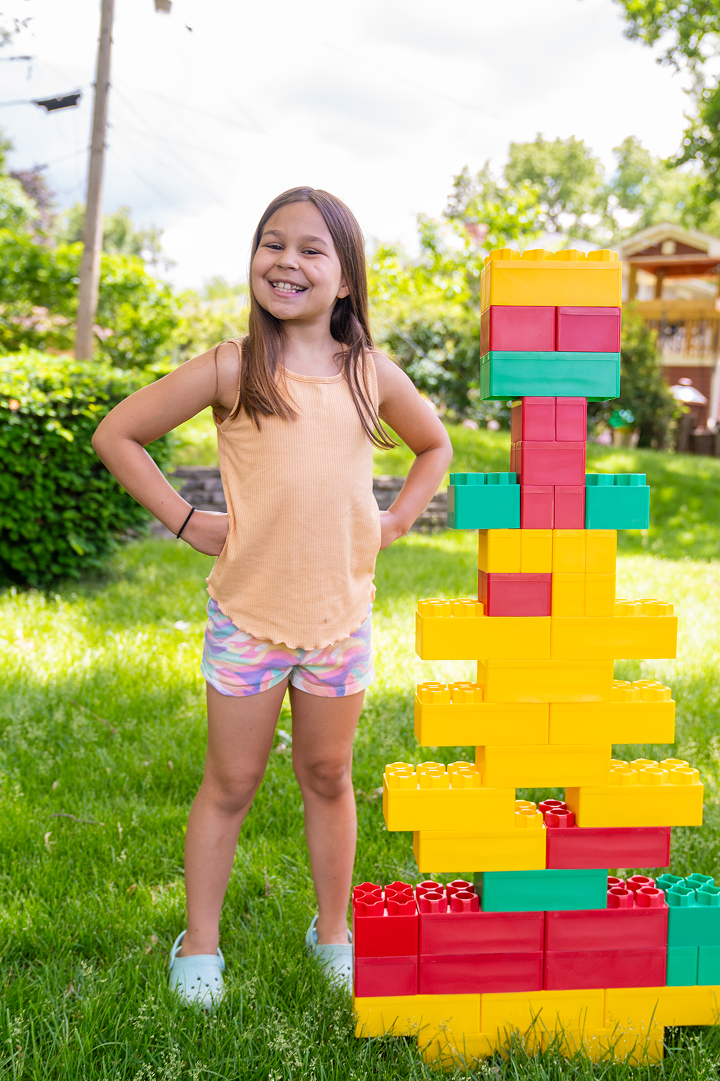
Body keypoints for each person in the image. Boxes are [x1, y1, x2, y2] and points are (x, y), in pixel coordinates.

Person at [92, 187, 452, 1006]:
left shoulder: (370, 374)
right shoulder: (233, 366)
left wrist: (396, 520)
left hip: (339, 620)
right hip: (247, 620)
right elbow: (118, 434)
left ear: (346, 279)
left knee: (328, 774)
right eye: (272, 244)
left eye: (311, 250)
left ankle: (332, 931)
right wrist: (186, 521)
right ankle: (199, 942)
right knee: (231, 783)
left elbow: (433, 445)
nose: (287, 262)